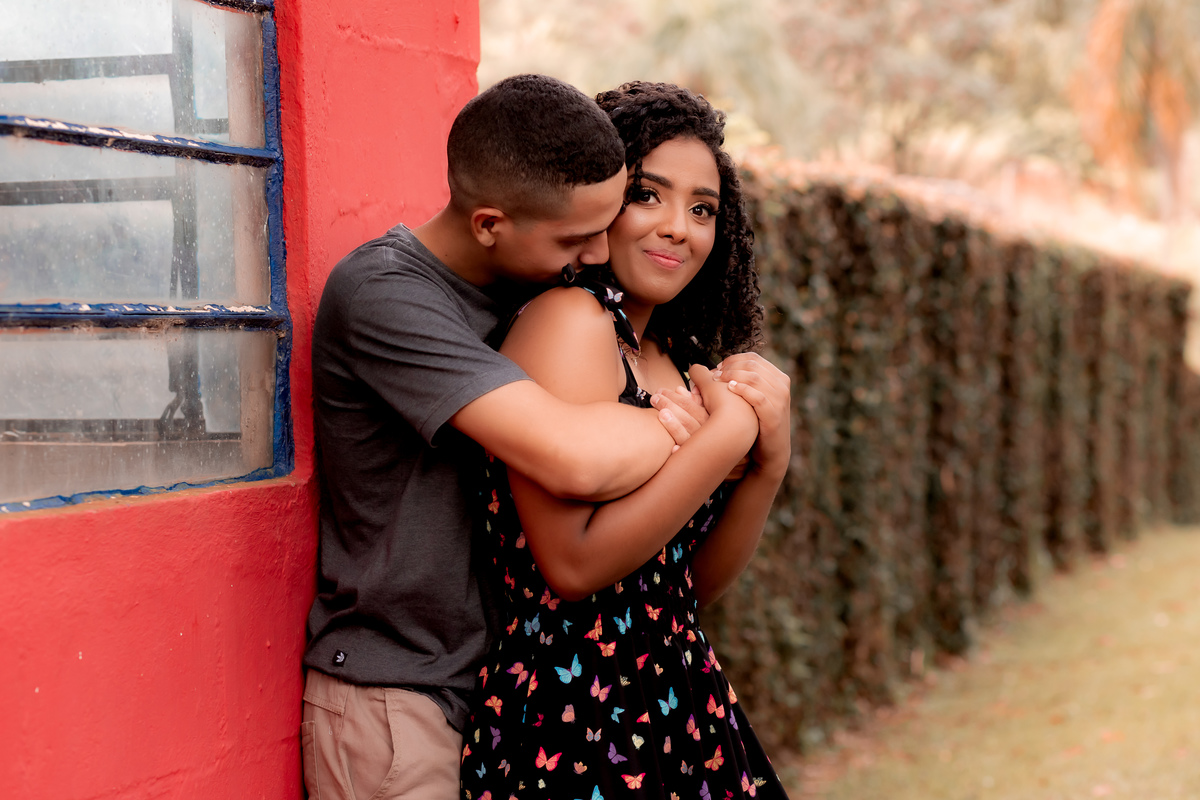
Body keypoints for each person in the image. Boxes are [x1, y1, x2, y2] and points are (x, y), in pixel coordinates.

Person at [302, 75, 711, 800]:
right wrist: (696, 427)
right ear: (490, 223)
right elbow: (573, 458)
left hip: (498, 696)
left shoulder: (524, 289)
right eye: (574, 238)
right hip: (399, 700)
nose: (594, 255)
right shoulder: (386, 295)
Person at [459, 82, 792, 800]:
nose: (679, 227)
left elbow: (685, 590)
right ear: (600, 198)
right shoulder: (568, 321)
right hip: (576, 718)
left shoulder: (673, 354)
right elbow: (572, 566)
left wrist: (768, 466)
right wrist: (725, 436)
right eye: (649, 194)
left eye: (703, 209)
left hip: (680, 706)